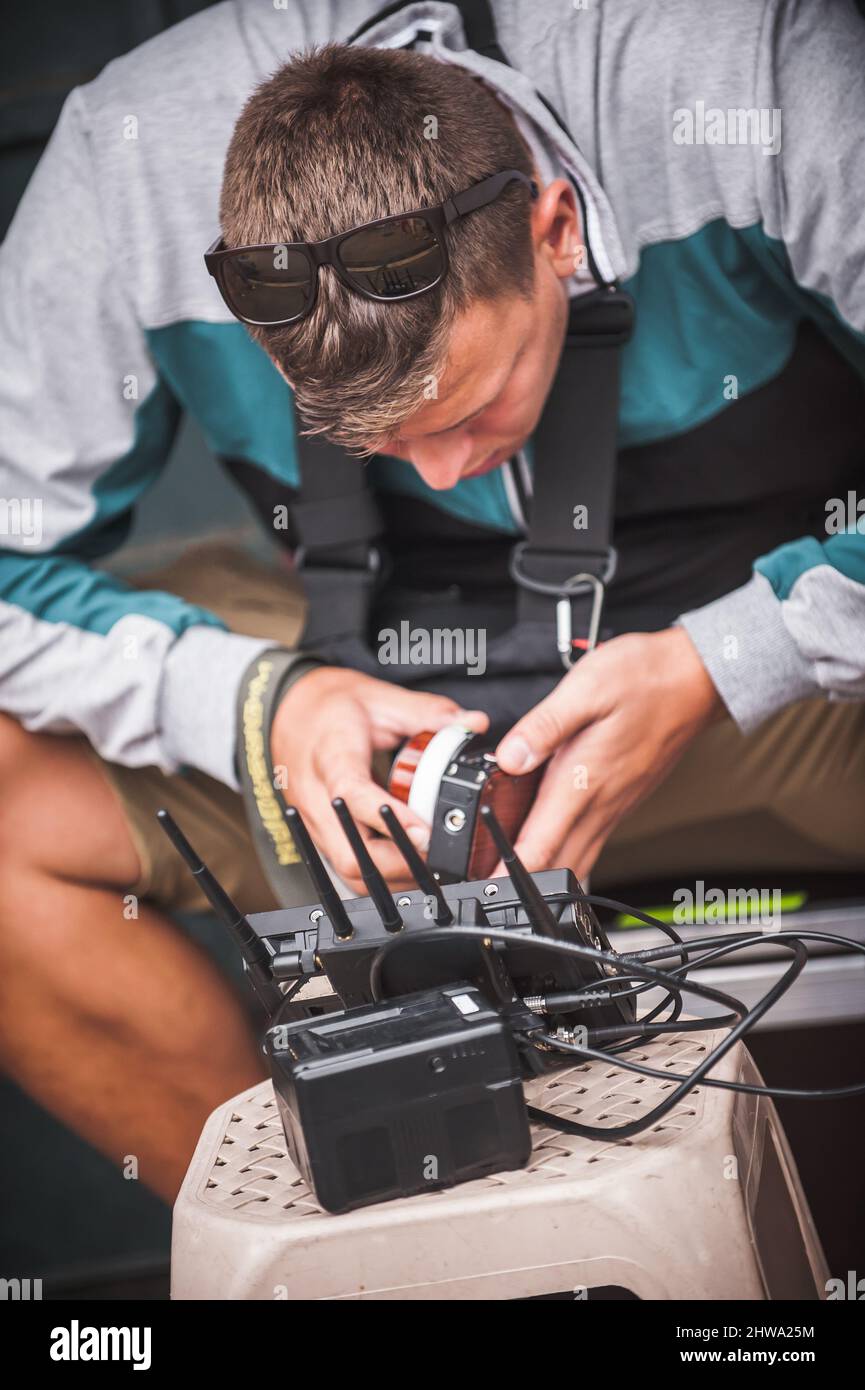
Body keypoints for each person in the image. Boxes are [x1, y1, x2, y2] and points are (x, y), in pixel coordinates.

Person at [2, 0, 864, 1203]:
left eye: (467, 408)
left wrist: (736, 655)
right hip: (340, 707)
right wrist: (259, 706)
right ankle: (343, 1250)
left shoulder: (758, 69)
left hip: (774, 685)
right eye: (373, 439)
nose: (445, 475)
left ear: (555, 229)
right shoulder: (125, 168)